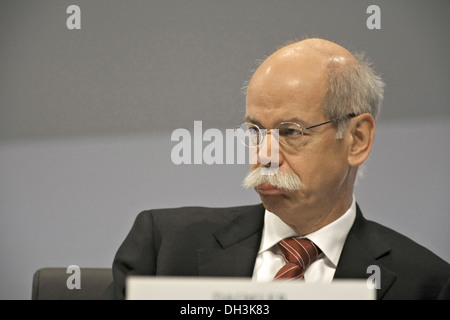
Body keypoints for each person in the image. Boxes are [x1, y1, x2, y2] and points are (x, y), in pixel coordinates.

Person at [102, 38, 450, 300]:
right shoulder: (164, 247)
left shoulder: (426, 284)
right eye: (255, 132)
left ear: (357, 139)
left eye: (290, 132)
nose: (264, 157)